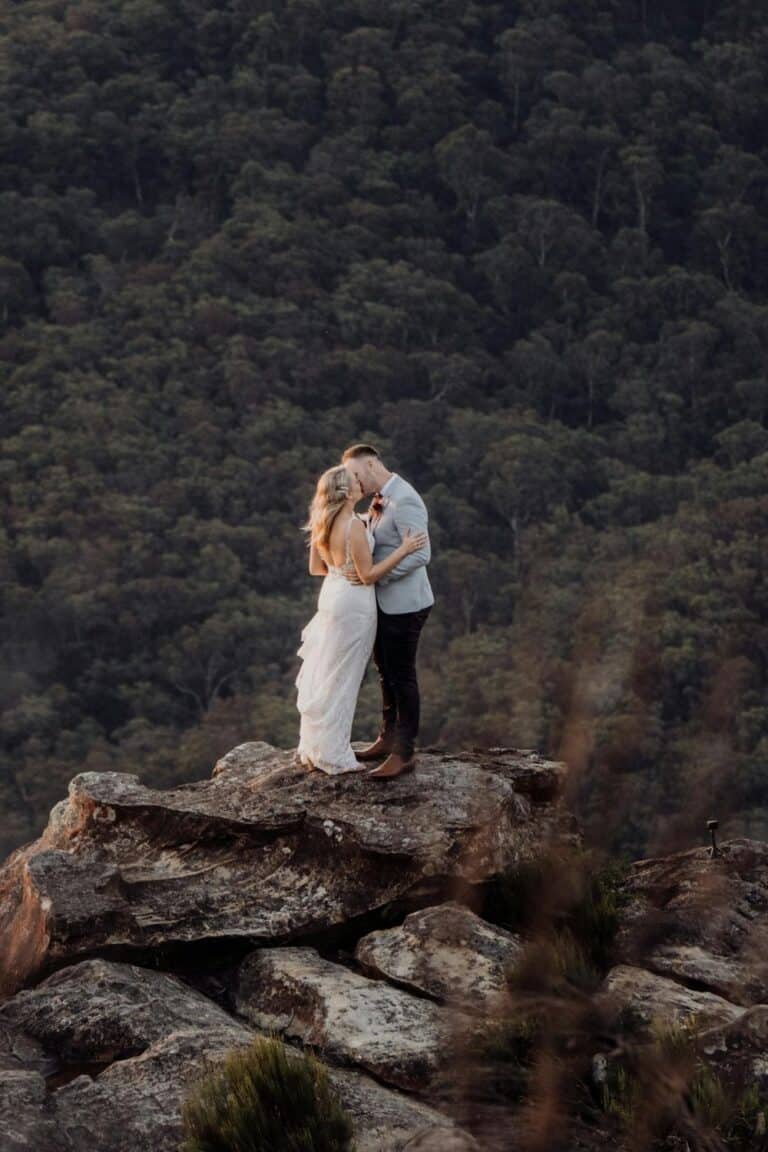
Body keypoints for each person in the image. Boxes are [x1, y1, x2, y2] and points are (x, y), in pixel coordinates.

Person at [295, 464, 427, 774]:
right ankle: (334, 752)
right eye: (354, 480)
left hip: (332, 595)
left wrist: (341, 571)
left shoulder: (322, 522)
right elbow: (368, 575)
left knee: (328, 670)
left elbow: (317, 568)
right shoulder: (353, 525)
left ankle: (318, 745)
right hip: (355, 604)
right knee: (345, 675)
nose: (360, 482)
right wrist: (404, 549)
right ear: (345, 490)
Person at [341, 444, 434, 779]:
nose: (353, 482)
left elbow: (421, 555)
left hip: (406, 604)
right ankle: (387, 736)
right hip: (383, 603)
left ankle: (405, 752)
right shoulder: (379, 501)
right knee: (385, 671)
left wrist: (378, 574)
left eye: (354, 475)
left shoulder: (406, 499)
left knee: (402, 675)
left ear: (370, 464)